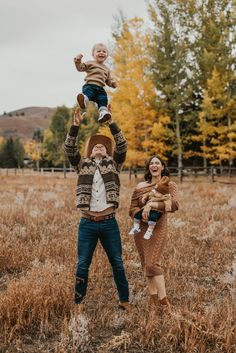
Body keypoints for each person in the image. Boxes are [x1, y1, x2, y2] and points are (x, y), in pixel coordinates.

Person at [64, 107, 129, 312]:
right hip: (87, 223)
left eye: (102, 146)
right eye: (95, 147)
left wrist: (110, 122)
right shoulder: (82, 164)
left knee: (117, 263)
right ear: (90, 152)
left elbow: (122, 144)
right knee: (82, 264)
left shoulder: (114, 164)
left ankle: (124, 300)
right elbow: (69, 149)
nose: (98, 147)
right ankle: (78, 303)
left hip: (109, 222)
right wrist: (75, 126)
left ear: (107, 151)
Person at [129, 156, 179, 312]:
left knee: (153, 264)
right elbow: (131, 208)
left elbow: (174, 205)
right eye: (151, 163)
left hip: (158, 228)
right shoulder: (140, 186)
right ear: (148, 168)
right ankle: (153, 302)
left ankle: (164, 304)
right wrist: (140, 211)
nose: (154, 165)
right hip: (141, 229)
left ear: (163, 167)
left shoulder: (169, 185)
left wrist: (152, 204)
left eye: (157, 163)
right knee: (146, 265)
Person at [74, 43, 117, 124]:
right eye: (99, 51)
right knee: (88, 93)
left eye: (104, 52)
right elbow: (80, 68)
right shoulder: (90, 63)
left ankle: (103, 113)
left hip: (100, 88)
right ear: (93, 54)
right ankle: (84, 99)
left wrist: (112, 84)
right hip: (90, 85)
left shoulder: (107, 69)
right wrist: (78, 61)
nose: (101, 53)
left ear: (107, 55)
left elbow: (108, 80)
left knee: (103, 99)